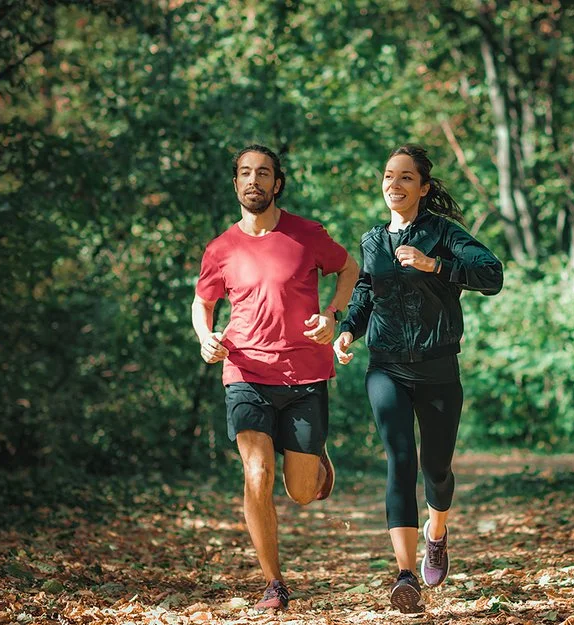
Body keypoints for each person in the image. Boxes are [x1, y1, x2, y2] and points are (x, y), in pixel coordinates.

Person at [333, 145, 503, 613]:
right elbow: (366, 291)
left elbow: (492, 274)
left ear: (424, 189)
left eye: (407, 177)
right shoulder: (372, 242)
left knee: (437, 469)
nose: (396, 183)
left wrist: (438, 266)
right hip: (385, 365)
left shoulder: (445, 235)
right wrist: (348, 329)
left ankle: (438, 531)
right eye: (390, 175)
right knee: (400, 460)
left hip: (438, 367)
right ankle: (405, 575)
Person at [192, 144, 358, 611]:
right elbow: (203, 302)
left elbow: (349, 267)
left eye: (263, 173)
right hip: (245, 371)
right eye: (245, 173)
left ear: (277, 183)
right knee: (256, 472)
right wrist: (205, 336)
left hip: (306, 374)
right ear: (235, 183)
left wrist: (334, 316)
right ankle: (274, 582)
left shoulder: (307, 234)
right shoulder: (221, 247)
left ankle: (316, 460)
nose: (254, 181)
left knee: (301, 493)